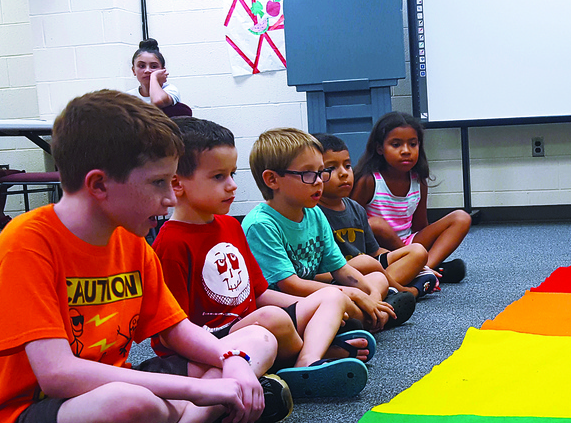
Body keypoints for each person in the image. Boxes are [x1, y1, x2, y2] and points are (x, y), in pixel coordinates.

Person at [0, 90, 292, 423]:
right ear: (99, 184)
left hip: (118, 386)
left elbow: (176, 329)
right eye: (159, 183)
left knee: (257, 340)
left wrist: (232, 363)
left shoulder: (132, 238)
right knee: (129, 401)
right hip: (29, 416)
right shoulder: (26, 246)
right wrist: (205, 391)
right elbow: (59, 375)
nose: (171, 197)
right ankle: (209, 418)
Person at [152, 117, 374, 398]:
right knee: (274, 319)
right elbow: (170, 333)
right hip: (212, 340)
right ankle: (315, 352)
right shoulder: (171, 242)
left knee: (332, 297)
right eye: (219, 177)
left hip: (254, 322)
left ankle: (307, 362)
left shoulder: (231, 226)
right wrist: (297, 319)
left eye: (232, 174)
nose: (232, 185)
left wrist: (317, 307)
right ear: (178, 184)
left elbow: (259, 292)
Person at [241, 127, 415, 333]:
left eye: (320, 172)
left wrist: (368, 294)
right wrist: (353, 294)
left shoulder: (314, 213)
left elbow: (341, 268)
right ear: (272, 179)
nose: (318, 182)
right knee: (340, 299)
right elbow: (291, 286)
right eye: (307, 174)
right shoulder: (261, 225)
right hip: (283, 304)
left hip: (315, 293)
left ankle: (371, 316)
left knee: (377, 279)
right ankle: (377, 317)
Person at [314, 132, 439, 299]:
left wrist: (417, 263)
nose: (343, 173)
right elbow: (314, 272)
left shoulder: (356, 208)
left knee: (417, 252)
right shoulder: (312, 213)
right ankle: (404, 291)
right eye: (331, 168)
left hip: (368, 272)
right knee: (364, 263)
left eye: (347, 166)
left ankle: (386, 288)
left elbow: (374, 251)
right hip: (335, 277)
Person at [351, 112, 471, 283]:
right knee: (376, 225)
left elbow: (421, 225)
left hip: (409, 242)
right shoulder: (369, 180)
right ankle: (422, 269)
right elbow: (354, 227)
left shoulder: (418, 179)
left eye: (412, 144)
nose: (406, 151)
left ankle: (425, 267)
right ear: (379, 148)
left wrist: (421, 247)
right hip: (379, 249)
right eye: (396, 144)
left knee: (462, 217)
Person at [128, 38, 180, 109]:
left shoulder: (170, 90)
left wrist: (154, 77)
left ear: (163, 70)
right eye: (142, 66)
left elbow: (157, 101)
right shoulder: (128, 97)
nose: (147, 70)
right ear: (134, 70)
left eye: (154, 66)